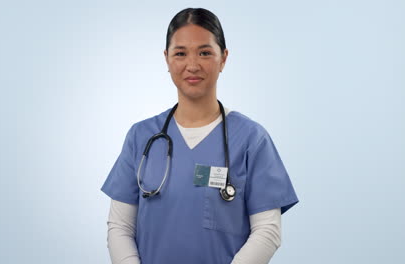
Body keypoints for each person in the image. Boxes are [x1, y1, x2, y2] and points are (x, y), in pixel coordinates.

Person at [101, 7, 299, 264]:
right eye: (180, 53)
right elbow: (119, 227)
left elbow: (267, 231)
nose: (192, 65)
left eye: (205, 53)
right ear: (167, 59)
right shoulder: (141, 137)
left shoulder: (251, 139)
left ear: (223, 58)